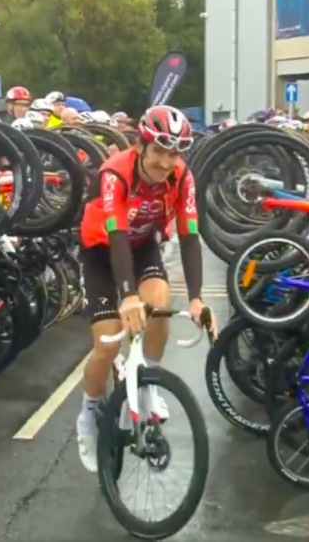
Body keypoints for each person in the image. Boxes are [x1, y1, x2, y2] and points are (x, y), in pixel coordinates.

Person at [75, 105, 214, 472]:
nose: (166, 162)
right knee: (106, 343)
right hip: (101, 252)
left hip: (142, 247)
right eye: (159, 152)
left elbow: (189, 236)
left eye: (175, 153)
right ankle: (88, 414)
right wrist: (127, 295)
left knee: (161, 304)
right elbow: (116, 233)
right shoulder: (115, 174)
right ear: (141, 146)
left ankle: (146, 382)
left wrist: (198, 298)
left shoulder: (182, 177)